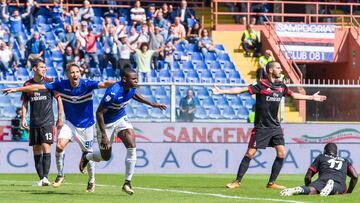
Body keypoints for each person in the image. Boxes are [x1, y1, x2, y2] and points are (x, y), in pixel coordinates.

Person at [210, 61, 327, 190]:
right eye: (278, 68)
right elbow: (240, 90)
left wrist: (311, 97)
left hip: (275, 127)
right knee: (250, 153)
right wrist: (221, 91)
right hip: (261, 127)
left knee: (281, 153)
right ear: (271, 70)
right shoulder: (261, 84)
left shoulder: (281, 86)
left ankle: (271, 183)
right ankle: (237, 181)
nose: (281, 70)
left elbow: (293, 95)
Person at [2, 63, 115, 192]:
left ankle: (91, 180)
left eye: (77, 72)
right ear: (67, 74)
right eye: (72, 72)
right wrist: (16, 89)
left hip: (87, 125)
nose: (75, 75)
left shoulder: (87, 84)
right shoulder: (61, 85)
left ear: (80, 73)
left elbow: (104, 84)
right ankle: (60, 175)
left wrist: (120, 85)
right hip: (70, 123)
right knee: (60, 145)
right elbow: (38, 87)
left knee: (88, 154)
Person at [80, 67, 167, 195]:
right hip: (106, 124)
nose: (136, 81)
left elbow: (134, 94)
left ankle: (127, 183)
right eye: (133, 79)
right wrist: (104, 134)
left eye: (137, 78)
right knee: (105, 156)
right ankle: (87, 156)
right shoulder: (113, 92)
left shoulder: (130, 87)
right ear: (124, 79)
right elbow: (99, 113)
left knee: (132, 145)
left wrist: (152, 104)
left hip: (121, 118)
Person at [20, 59, 64, 186]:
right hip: (34, 121)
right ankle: (41, 179)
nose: (44, 69)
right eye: (41, 67)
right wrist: (23, 118)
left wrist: (60, 117)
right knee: (36, 149)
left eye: (45, 67)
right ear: (34, 68)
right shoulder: (27, 84)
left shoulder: (50, 82)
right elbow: (24, 103)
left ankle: (45, 177)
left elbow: (59, 100)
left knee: (46, 146)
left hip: (47, 121)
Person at [280, 143, 358, 196]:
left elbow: (308, 176)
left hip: (322, 179)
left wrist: (308, 186)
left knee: (313, 190)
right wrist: (349, 192)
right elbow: (355, 176)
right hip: (338, 181)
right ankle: (332, 186)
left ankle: (300, 189)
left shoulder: (321, 157)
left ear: (324, 151)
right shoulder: (345, 160)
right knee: (338, 189)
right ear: (336, 152)